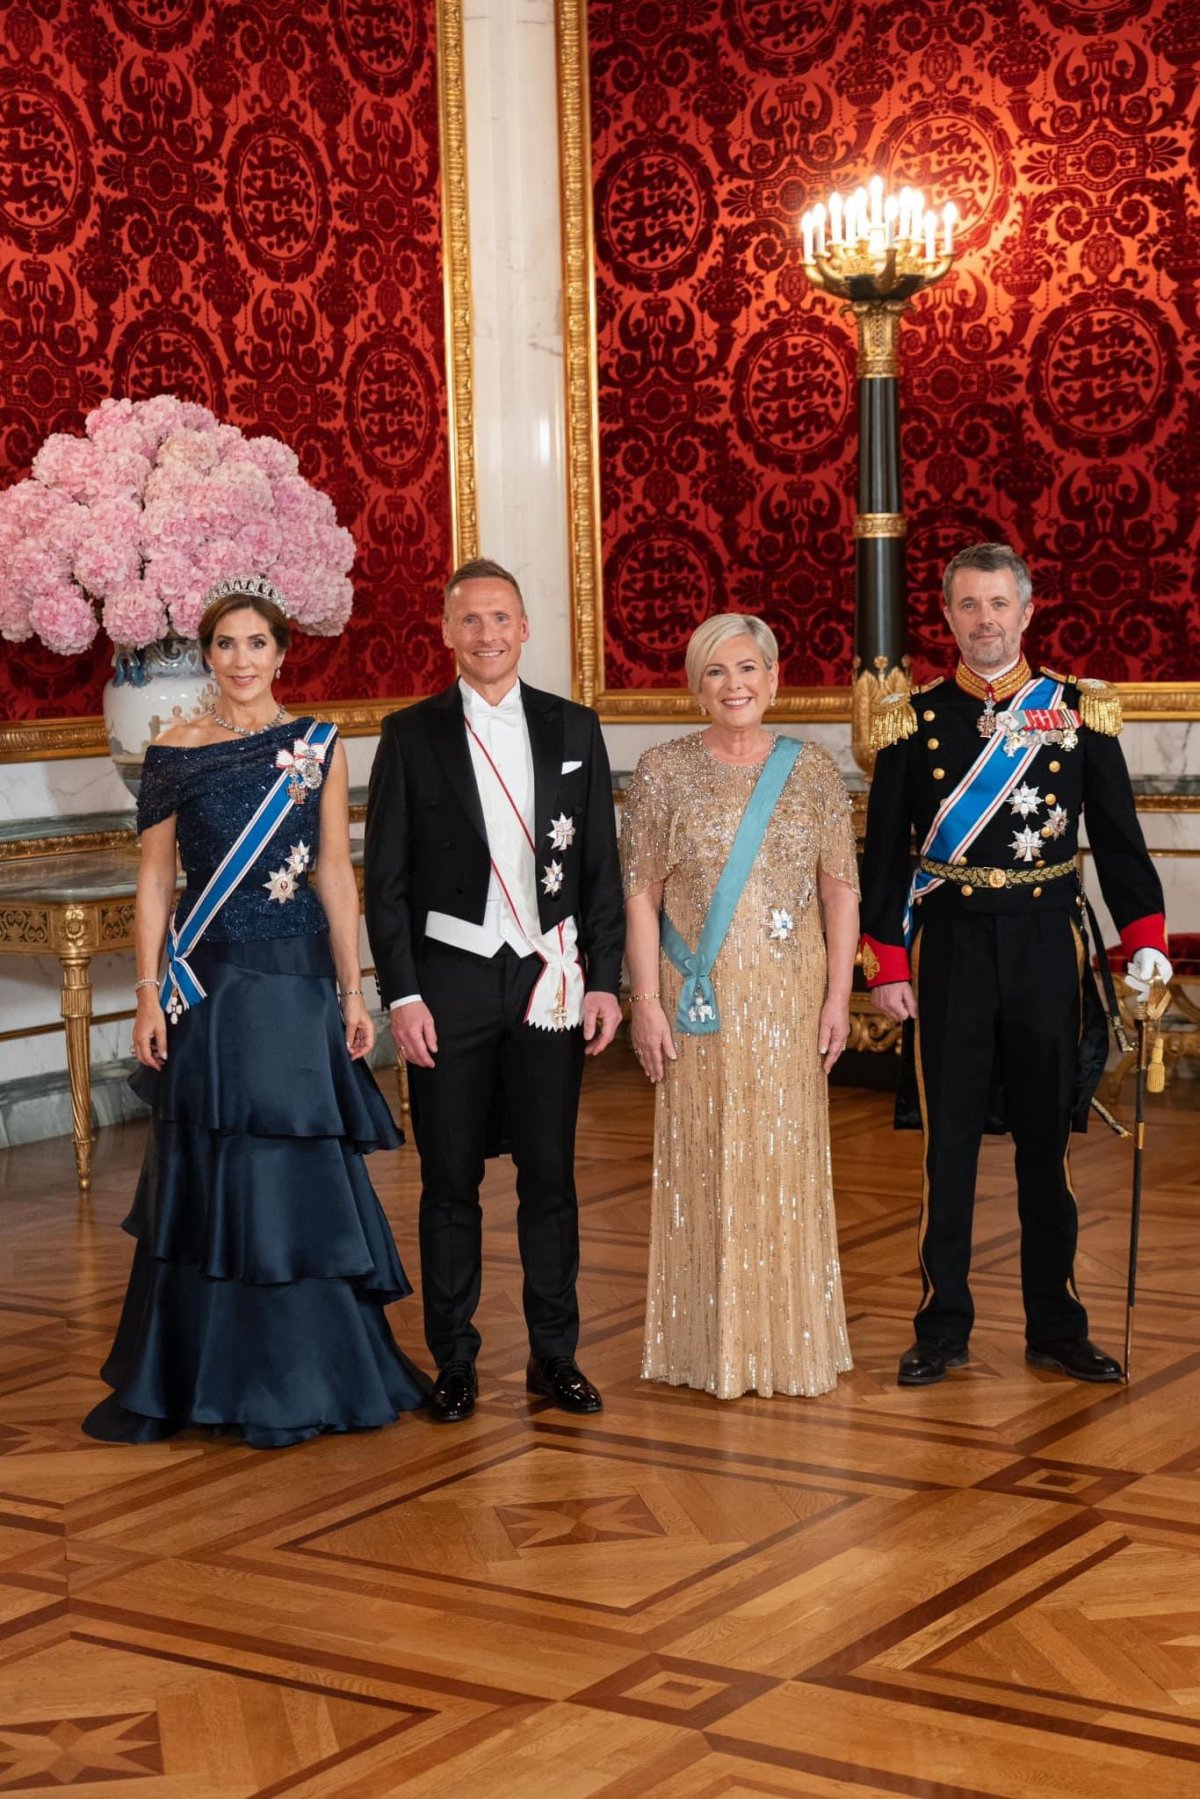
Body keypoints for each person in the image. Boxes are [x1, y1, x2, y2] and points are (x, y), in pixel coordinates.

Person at [84, 576, 428, 1449]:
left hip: (299, 975)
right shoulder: (172, 750)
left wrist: (357, 990)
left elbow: (336, 873)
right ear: (208, 654)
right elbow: (157, 879)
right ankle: (208, 1371)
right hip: (213, 986)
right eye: (226, 644)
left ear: (282, 651)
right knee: (213, 1162)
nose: (242, 659)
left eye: (257, 643)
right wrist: (151, 992)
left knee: (299, 1161)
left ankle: (316, 1366)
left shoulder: (317, 743)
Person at [860, 542, 1172, 1388]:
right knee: (947, 1147)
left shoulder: (1077, 711)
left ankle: (1058, 1323)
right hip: (951, 948)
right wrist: (885, 959)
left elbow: (1117, 838)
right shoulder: (911, 718)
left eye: (999, 604)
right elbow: (884, 854)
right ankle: (942, 1325)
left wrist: (1145, 939)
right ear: (949, 614)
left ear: (1027, 612)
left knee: (1048, 1144)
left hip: (1045, 945)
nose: (985, 620)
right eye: (969, 605)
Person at [363, 558, 624, 1423]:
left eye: (501, 618)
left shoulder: (575, 728)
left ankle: (554, 1355)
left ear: (525, 627)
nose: (486, 634)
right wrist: (401, 996)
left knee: (549, 1176)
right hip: (451, 981)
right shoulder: (410, 734)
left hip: (549, 977)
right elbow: (386, 882)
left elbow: (600, 872)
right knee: (449, 1179)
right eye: (469, 620)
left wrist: (606, 983)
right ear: (446, 632)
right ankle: (455, 1361)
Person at [620, 613, 860, 1399]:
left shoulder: (815, 770)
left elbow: (839, 889)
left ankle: (789, 1343)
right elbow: (641, 897)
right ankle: (703, 1347)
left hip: (789, 1000)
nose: (735, 686)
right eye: (717, 671)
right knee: (706, 1156)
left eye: (748, 668)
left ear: (775, 678)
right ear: (696, 685)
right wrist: (645, 1000)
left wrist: (838, 994)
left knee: (786, 1164)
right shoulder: (661, 769)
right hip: (701, 1002)